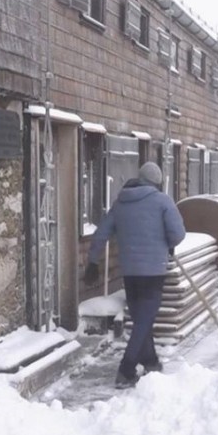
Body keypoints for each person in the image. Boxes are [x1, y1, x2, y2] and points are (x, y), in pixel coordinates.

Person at [84, 161, 186, 387]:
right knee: (144, 319)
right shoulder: (162, 201)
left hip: (129, 272)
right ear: (157, 182)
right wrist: (166, 242)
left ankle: (150, 361)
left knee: (141, 318)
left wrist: (92, 261)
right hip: (154, 271)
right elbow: (178, 234)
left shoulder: (121, 202)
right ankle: (126, 369)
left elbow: (101, 233)